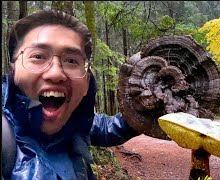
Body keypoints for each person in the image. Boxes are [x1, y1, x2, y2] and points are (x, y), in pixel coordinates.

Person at [1, 9, 140, 179]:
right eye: (38, 56)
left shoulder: (74, 119)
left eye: (71, 61)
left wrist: (142, 111)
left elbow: (105, 128)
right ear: (13, 70)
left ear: (87, 81)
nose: (56, 73)